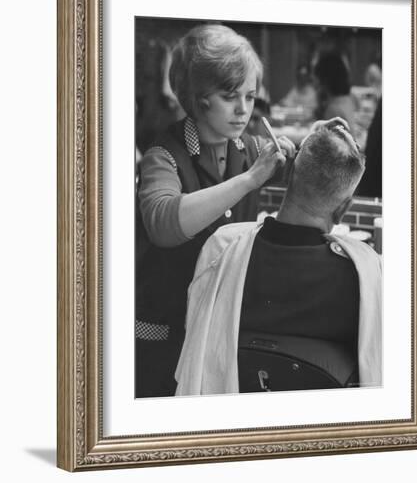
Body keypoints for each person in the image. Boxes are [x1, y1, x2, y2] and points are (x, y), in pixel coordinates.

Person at [136, 24, 295, 397]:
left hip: (215, 329)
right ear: (197, 97)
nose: (243, 110)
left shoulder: (249, 148)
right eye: (229, 96)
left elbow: (297, 169)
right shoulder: (163, 156)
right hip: (163, 335)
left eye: (250, 96)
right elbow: (162, 222)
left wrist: (315, 144)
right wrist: (249, 180)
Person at [175, 117, 382, 395]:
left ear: (287, 176)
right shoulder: (365, 276)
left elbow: (194, 345)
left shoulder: (221, 251)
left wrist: (311, 148)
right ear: (343, 209)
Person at [313, 51, 359, 136]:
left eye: (317, 77)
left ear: (325, 79)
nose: (314, 82)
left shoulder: (333, 109)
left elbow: (325, 143)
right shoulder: (346, 99)